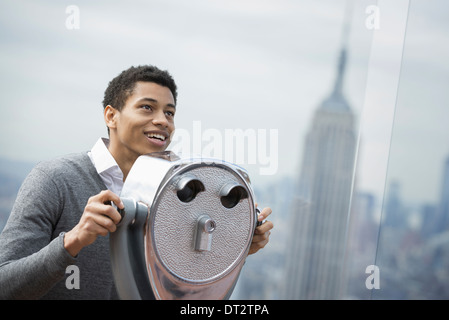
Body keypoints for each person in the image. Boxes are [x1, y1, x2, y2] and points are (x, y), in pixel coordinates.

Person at [0, 65, 273, 299]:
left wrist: (234, 247)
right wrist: (73, 241)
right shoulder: (56, 179)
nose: (162, 121)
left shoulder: (178, 191)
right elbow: (5, 286)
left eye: (169, 113)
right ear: (111, 116)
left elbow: (179, 289)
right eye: (147, 107)